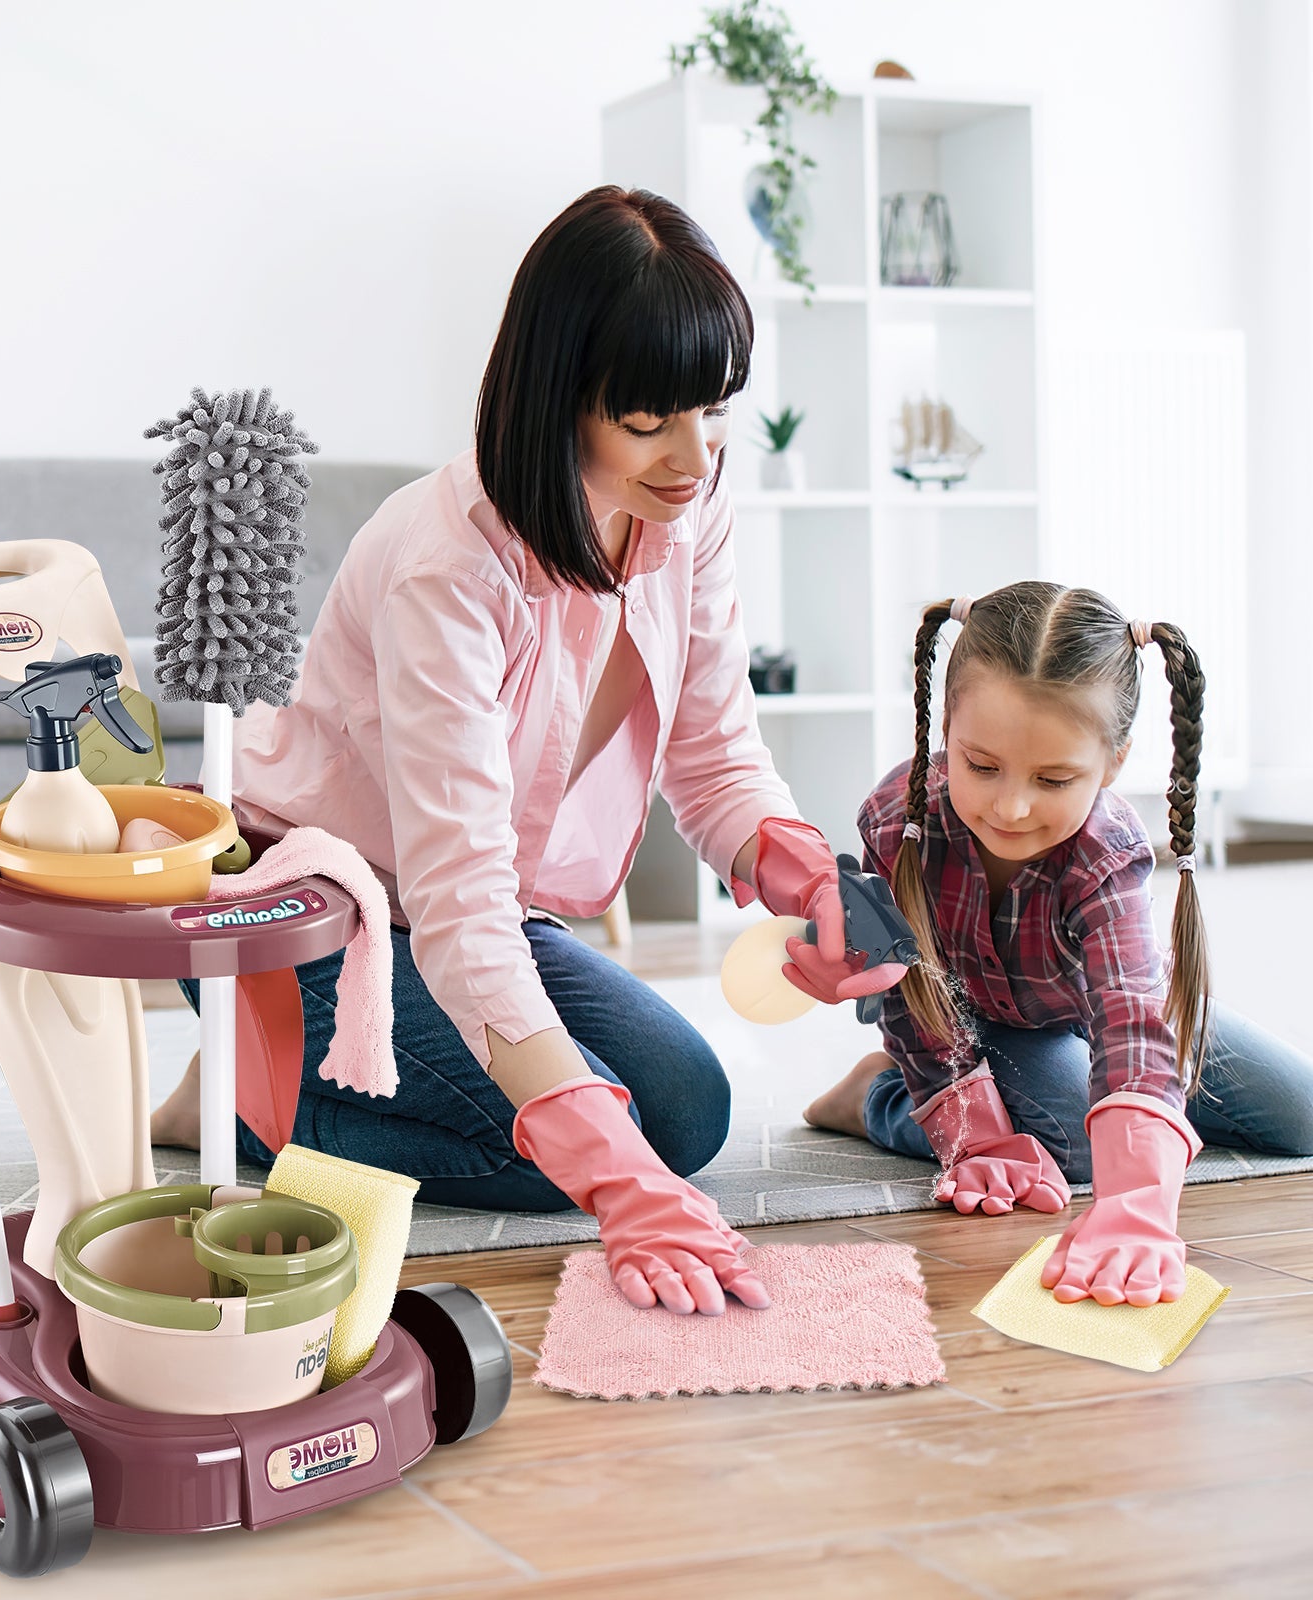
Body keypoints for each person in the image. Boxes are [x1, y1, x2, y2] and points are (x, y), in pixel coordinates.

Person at [151, 184, 902, 1316]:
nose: (694, 456)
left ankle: (280, 1084)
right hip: (306, 911)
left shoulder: (684, 506)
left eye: (713, 410)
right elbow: (458, 903)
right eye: (648, 420)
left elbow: (713, 752)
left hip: (475, 915)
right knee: (585, 1149)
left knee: (684, 1114)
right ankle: (252, 1099)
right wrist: (616, 1186)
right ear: (561, 400)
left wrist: (809, 883)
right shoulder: (446, 567)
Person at [803, 582, 1313, 1307]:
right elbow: (910, 997)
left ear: (1113, 764)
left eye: (1054, 779)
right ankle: (877, 1095)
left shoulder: (1110, 853)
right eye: (981, 766)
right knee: (1070, 1147)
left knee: (1301, 1116)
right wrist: (970, 1133)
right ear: (946, 728)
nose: (1010, 807)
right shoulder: (897, 822)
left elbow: (1133, 1019)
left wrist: (1138, 1199)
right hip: (974, 1019)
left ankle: (1145, 1118)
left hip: (1099, 1006)